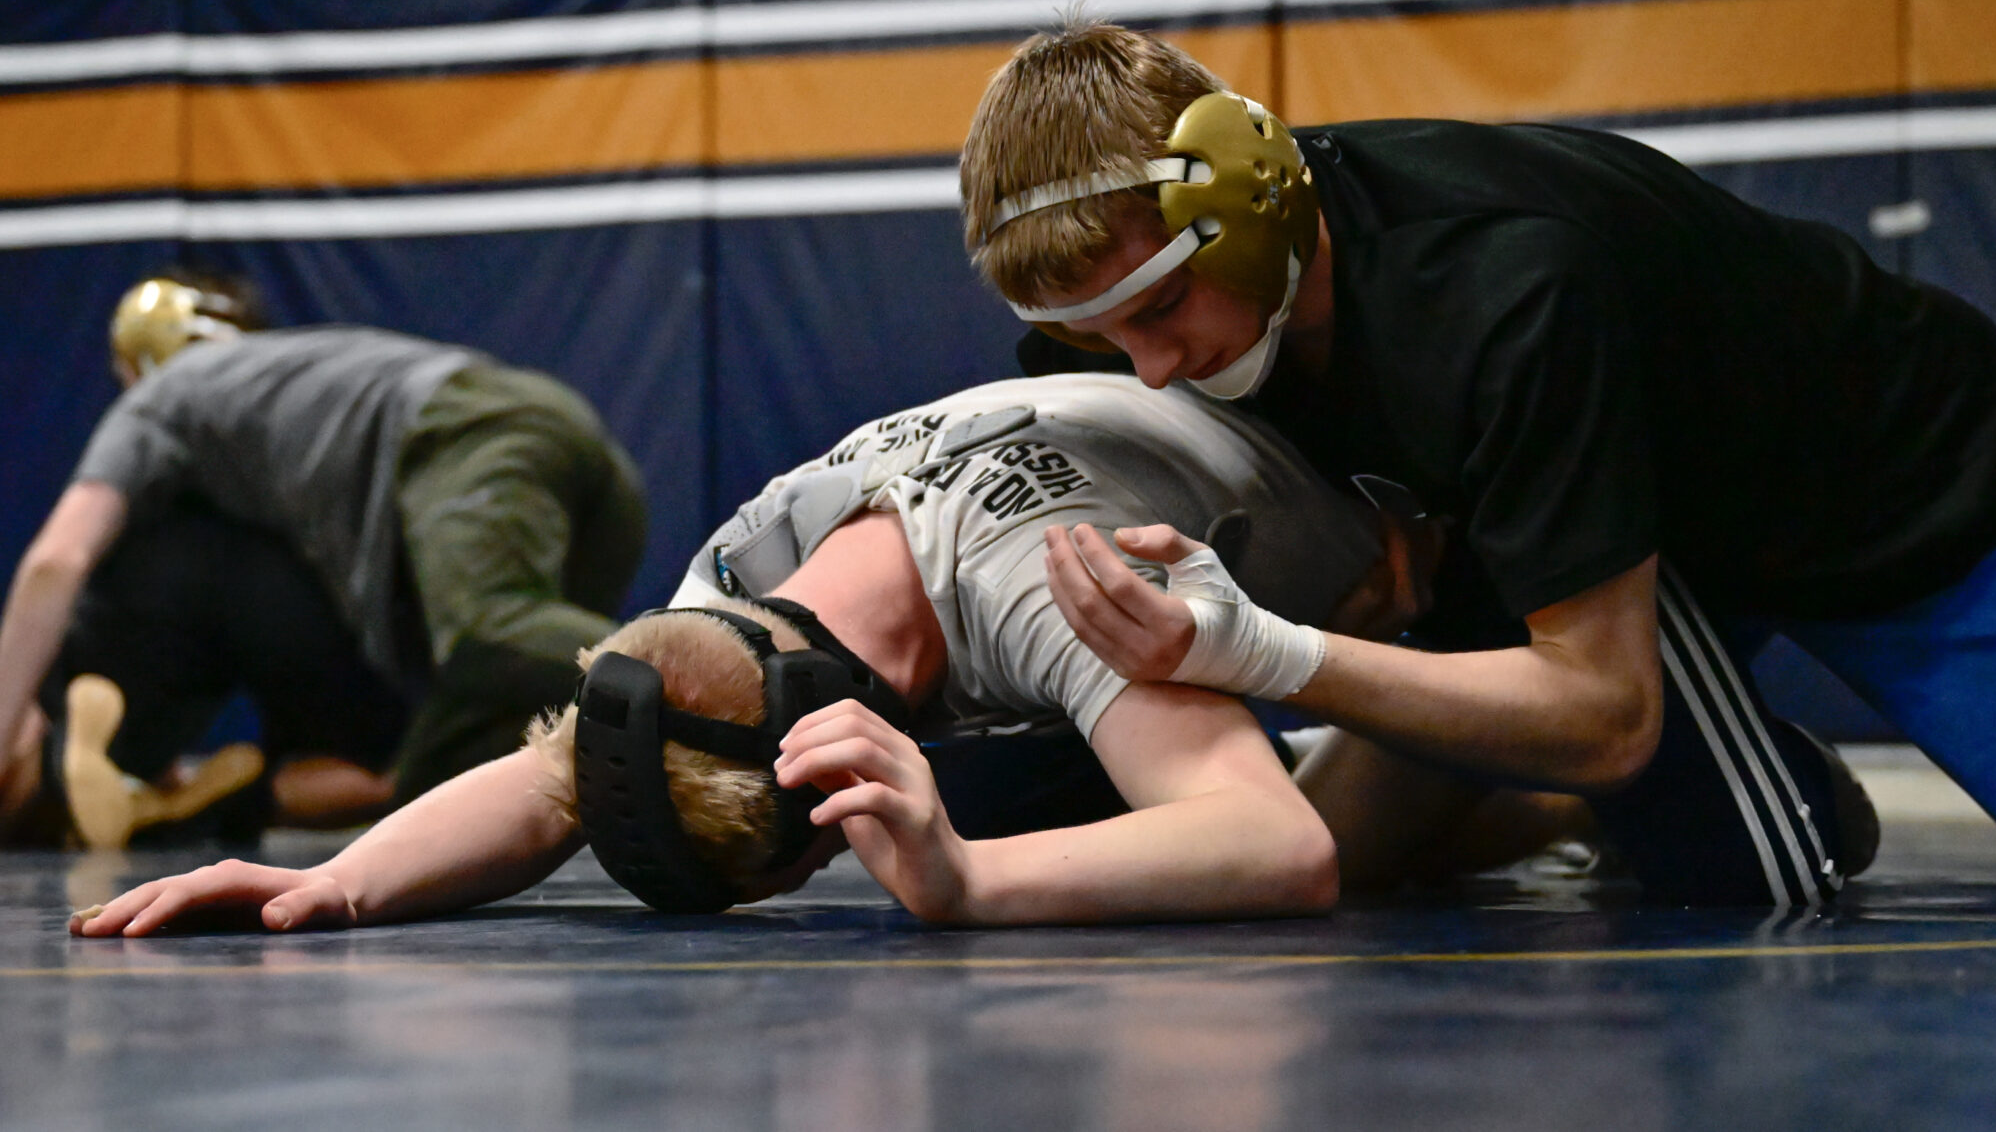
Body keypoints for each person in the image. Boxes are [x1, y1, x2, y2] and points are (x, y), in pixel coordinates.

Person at [959, 18, 1996, 906]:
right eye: (1097, 337)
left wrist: (1267, 650)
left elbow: (1602, 704)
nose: (1145, 367)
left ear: (1246, 202)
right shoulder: (1143, 328)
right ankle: (1597, 808)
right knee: (1322, 866)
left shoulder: (1499, 287)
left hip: (1895, 488)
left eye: (1158, 311)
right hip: (1621, 543)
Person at [69, 373, 1390, 934]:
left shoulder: (1051, 580)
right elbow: (557, 775)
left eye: (800, 861)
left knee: (979, 827)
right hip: (1164, 483)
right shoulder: (738, 586)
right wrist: (337, 885)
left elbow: (1282, 848)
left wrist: (968, 882)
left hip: (1410, 557)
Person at [0, 272, 646, 847]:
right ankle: (171, 803)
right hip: (583, 466)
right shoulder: (278, 389)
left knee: (493, 632)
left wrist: (6, 721)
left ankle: (687, 669)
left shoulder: (160, 397)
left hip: (476, 433)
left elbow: (59, 559)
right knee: (444, 769)